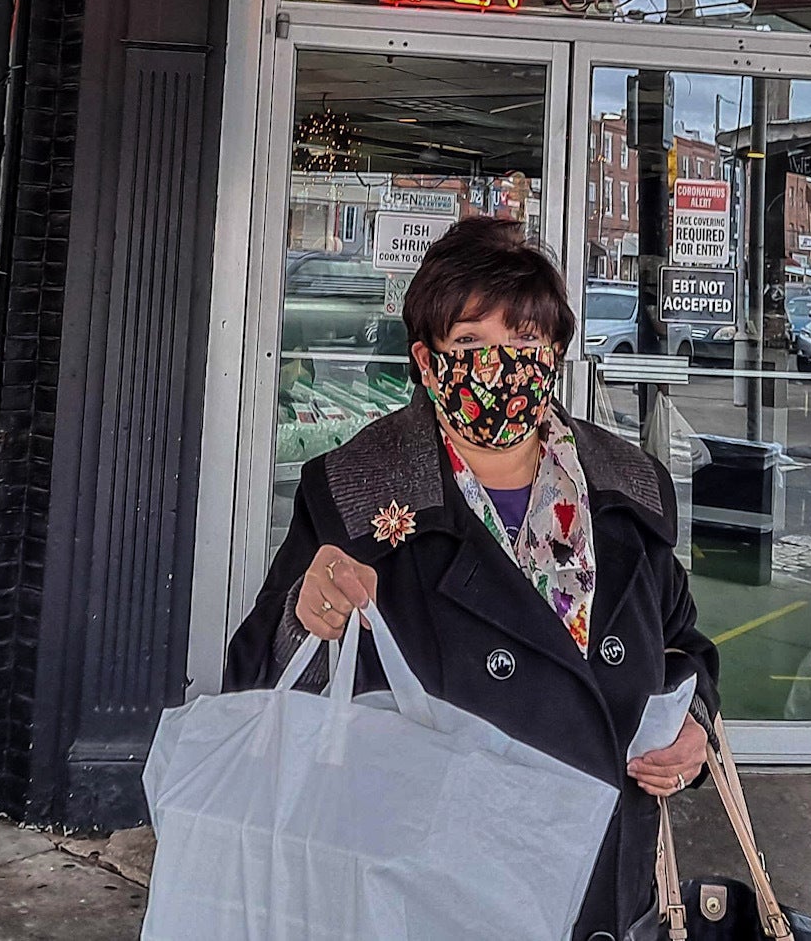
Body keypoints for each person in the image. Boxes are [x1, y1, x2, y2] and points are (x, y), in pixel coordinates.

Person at [226, 217, 718, 941]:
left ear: (553, 354)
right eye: (471, 344)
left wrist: (695, 726)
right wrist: (308, 611)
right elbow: (256, 686)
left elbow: (682, 646)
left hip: (608, 891)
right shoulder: (357, 495)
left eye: (524, 344)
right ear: (427, 362)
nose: (501, 367)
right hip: (435, 896)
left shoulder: (628, 490)